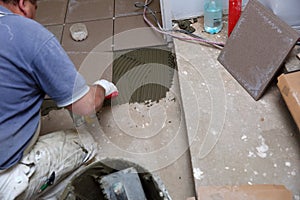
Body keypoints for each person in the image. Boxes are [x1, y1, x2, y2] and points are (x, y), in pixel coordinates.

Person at [0, 0, 118, 199]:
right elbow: (86, 106)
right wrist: (102, 88)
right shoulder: (28, 35)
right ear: (22, 3)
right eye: (33, 9)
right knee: (84, 144)